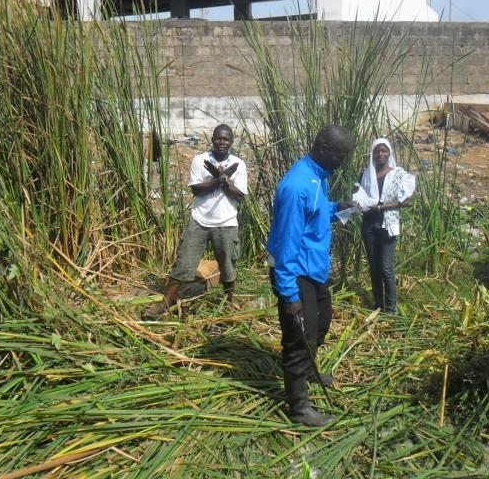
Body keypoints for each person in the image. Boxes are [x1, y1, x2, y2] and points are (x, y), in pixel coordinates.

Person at [266, 124, 355, 427]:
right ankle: (299, 407)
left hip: (314, 270)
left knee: (321, 323)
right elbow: (286, 243)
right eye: (341, 155)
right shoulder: (297, 186)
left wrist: (335, 209)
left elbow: (313, 214)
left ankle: (307, 372)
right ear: (323, 149)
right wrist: (289, 295)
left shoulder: (318, 176)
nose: (344, 161)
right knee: (299, 337)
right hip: (296, 273)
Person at [146, 124, 247, 317]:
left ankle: (229, 301)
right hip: (199, 220)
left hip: (226, 222)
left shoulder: (239, 164)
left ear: (231, 142)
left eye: (226, 139)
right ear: (212, 139)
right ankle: (166, 304)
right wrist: (219, 179)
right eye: (218, 138)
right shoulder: (199, 160)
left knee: (227, 265)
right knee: (184, 263)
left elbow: (239, 195)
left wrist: (226, 181)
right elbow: (196, 189)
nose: (222, 142)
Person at [358, 138, 416, 314]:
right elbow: (359, 195)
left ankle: (391, 309)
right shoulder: (366, 174)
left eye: (383, 151)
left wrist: (381, 207)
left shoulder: (398, 174)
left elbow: (405, 201)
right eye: (376, 151)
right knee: (374, 267)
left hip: (387, 224)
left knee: (386, 268)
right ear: (372, 154)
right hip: (368, 224)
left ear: (389, 152)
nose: (380, 154)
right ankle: (378, 304)